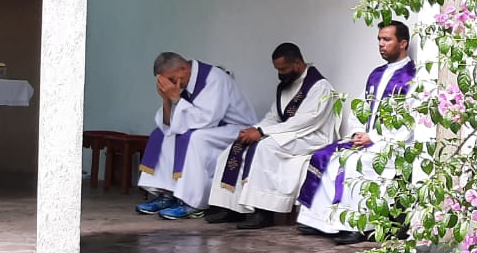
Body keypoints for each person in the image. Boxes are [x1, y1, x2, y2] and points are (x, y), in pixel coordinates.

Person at [296, 21, 427, 244]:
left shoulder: (413, 77)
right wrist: (358, 131)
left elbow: (410, 119)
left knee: (354, 163)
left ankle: (356, 226)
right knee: (325, 156)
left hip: (394, 144)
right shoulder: (376, 74)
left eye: (387, 39)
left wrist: (373, 137)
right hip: (367, 138)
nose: (381, 44)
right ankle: (320, 220)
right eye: (379, 39)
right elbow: (361, 107)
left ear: (403, 43)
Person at [204, 43, 339, 229]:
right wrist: (254, 129)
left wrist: (261, 133)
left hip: (312, 137)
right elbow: (274, 117)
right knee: (239, 145)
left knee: (264, 148)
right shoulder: (286, 85)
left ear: (297, 63)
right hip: (290, 133)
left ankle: (264, 212)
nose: (280, 74)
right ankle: (231, 207)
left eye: (283, 69)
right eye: (277, 69)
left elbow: (305, 122)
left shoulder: (319, 87)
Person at [137, 52, 257, 219]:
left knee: (195, 139)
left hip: (234, 128)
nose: (170, 85)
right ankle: (167, 194)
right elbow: (170, 124)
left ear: (183, 69)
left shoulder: (214, 78)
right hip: (207, 127)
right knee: (162, 134)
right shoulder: (182, 81)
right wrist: (166, 99)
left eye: (171, 79)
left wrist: (176, 98)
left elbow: (207, 120)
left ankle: (193, 203)